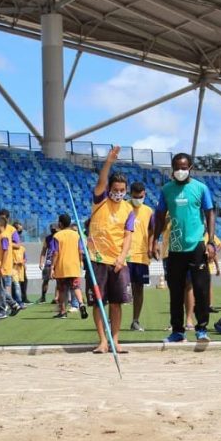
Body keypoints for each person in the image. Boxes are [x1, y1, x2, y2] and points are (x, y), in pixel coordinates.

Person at [151, 152, 216, 343]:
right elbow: (161, 216)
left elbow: (210, 213)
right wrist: (155, 240)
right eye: (177, 167)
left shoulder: (201, 188)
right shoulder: (166, 190)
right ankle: (178, 331)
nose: (180, 171)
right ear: (172, 168)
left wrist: (211, 241)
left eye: (184, 167)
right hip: (176, 248)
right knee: (176, 291)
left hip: (196, 245)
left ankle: (202, 329)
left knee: (201, 289)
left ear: (190, 168)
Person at [88, 146, 134, 353]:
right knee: (99, 302)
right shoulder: (100, 201)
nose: (118, 193)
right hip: (97, 258)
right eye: (115, 190)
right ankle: (102, 341)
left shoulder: (128, 209)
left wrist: (122, 257)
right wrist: (108, 163)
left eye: (122, 191)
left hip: (118, 262)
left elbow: (128, 235)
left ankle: (115, 339)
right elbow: (101, 182)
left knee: (117, 303)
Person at [51, 213, 88, 320]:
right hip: (74, 265)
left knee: (62, 289)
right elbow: (81, 251)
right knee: (76, 287)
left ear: (60, 223)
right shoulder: (76, 235)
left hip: (61, 267)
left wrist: (52, 267)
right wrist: (80, 262)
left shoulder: (57, 236)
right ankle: (81, 303)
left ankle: (62, 312)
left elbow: (55, 253)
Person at [127, 182, 153, 331]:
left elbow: (151, 230)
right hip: (125, 256)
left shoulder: (149, 211)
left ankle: (135, 321)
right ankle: (112, 320)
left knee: (139, 289)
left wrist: (151, 246)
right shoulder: (123, 207)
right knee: (120, 289)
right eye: (136, 197)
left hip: (142, 257)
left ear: (145, 194)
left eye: (141, 197)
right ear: (130, 194)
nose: (138, 199)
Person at [0, 215, 22, 319]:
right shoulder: (1, 236)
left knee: (1, 289)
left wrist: (2, 267)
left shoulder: (4, 236)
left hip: (2, 267)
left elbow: (6, 252)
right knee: (0, 290)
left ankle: (3, 309)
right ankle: (14, 305)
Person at [38, 223, 59, 303]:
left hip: (58, 261)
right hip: (49, 261)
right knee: (46, 280)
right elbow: (43, 251)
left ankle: (56, 298)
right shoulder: (48, 238)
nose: (53, 230)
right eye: (52, 228)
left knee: (58, 281)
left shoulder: (60, 237)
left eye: (54, 228)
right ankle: (43, 296)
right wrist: (41, 262)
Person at [12, 221, 29, 305]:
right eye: (19, 229)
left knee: (22, 282)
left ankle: (22, 298)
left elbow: (25, 258)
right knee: (15, 285)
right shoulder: (11, 246)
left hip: (20, 269)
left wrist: (23, 262)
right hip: (13, 269)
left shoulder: (22, 247)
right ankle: (18, 301)